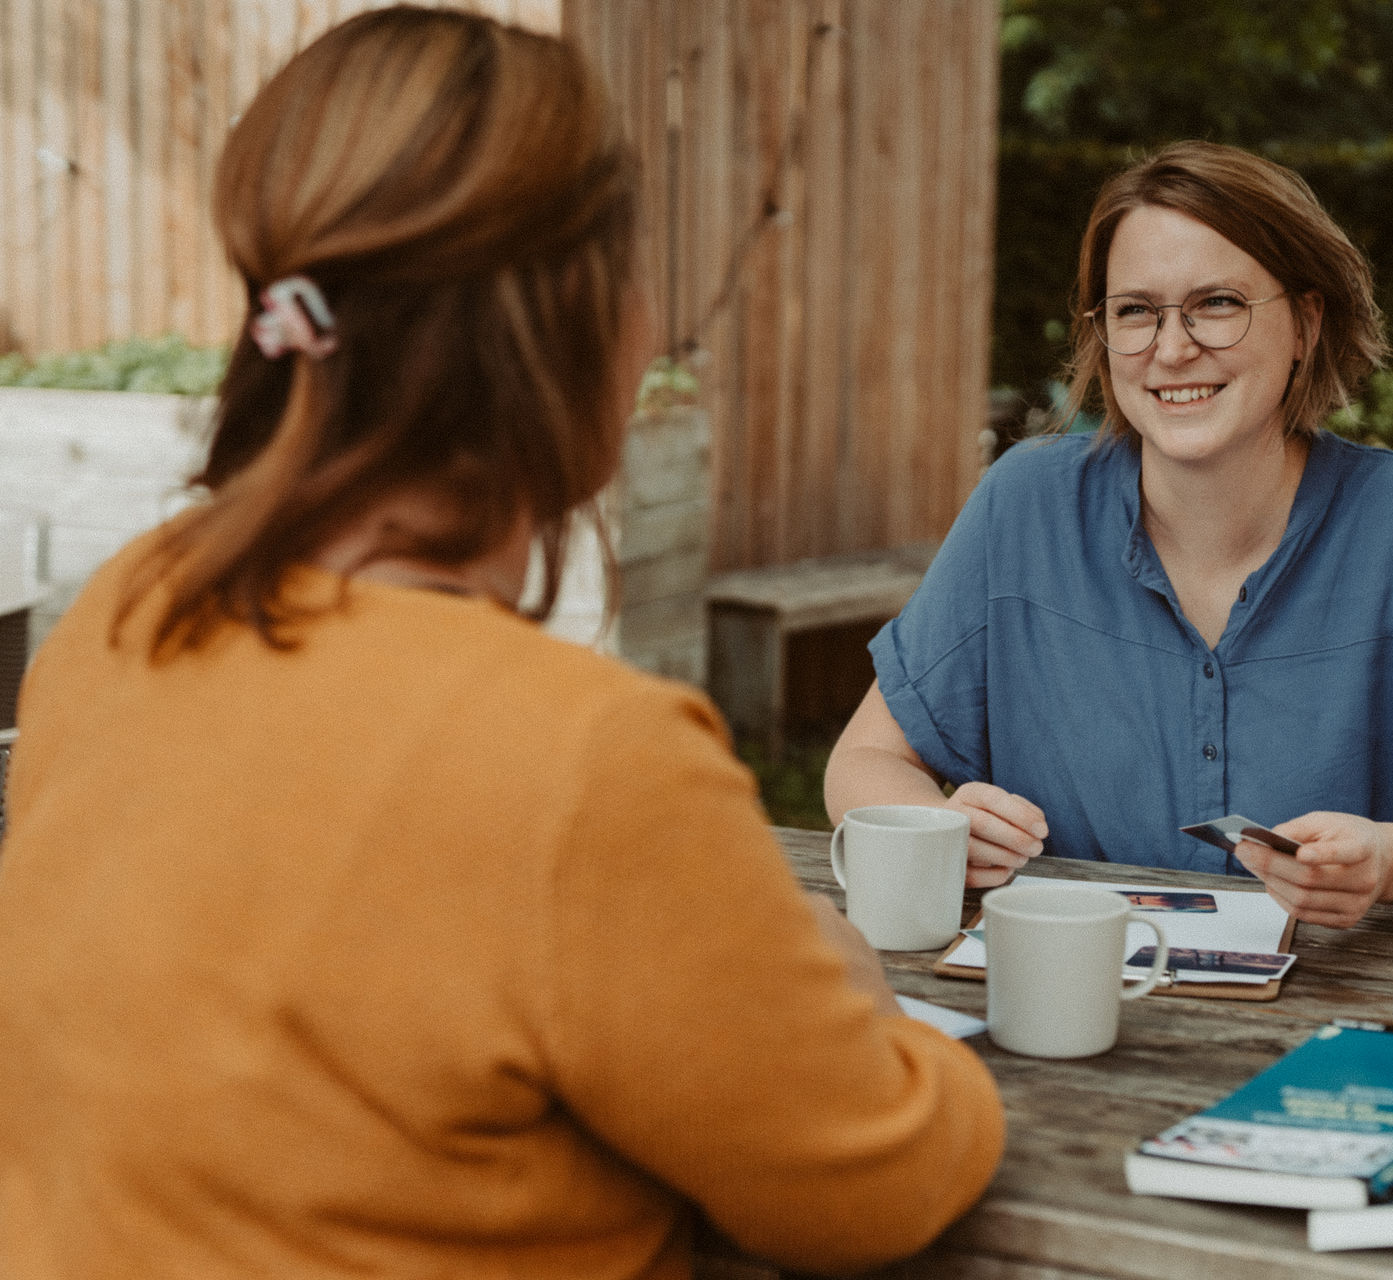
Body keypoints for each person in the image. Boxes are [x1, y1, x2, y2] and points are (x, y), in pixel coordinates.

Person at [0, 10, 1000, 1278]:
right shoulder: (586, 759)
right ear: (571, 315)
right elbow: (878, 1180)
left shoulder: (126, 613)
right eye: (638, 270)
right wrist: (852, 989)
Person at [826, 140, 1393, 928]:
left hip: (1342, 1025)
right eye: (1136, 311)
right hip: (1065, 1006)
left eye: (1218, 303)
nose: (1171, 347)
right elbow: (866, 761)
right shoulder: (1025, 505)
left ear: (1305, 320)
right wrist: (941, 830)